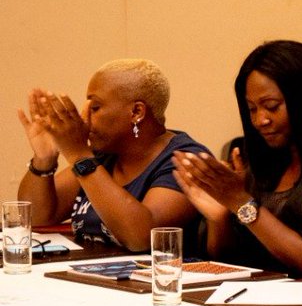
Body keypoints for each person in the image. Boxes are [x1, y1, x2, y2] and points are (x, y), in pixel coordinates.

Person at [173, 40, 302, 276]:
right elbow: (225, 259)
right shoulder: (262, 161)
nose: (260, 120)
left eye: (271, 106)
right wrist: (220, 217)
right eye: (252, 109)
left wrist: (243, 204)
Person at [16, 59, 207, 251]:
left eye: (95, 107)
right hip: (85, 276)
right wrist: (43, 160)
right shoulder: (104, 156)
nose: (85, 118)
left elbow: (141, 238)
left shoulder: (184, 159)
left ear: (136, 112)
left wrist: (79, 155)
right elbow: (36, 217)